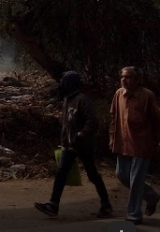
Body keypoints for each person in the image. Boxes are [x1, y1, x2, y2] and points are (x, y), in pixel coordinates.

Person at [34, 71, 112, 219]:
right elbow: (67, 124)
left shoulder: (82, 100)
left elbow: (93, 122)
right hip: (69, 145)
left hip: (83, 145)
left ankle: (106, 205)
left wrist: (81, 134)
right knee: (61, 174)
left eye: (64, 81)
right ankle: (53, 205)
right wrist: (65, 141)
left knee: (92, 175)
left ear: (70, 83)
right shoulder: (67, 99)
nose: (61, 84)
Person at [109, 66, 160, 225]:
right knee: (122, 175)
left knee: (136, 179)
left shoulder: (147, 96)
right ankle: (151, 196)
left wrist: (157, 141)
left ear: (138, 80)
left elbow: (157, 120)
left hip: (142, 143)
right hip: (123, 142)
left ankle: (133, 214)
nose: (124, 80)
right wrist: (112, 137)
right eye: (123, 77)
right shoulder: (118, 94)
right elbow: (114, 117)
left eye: (129, 77)